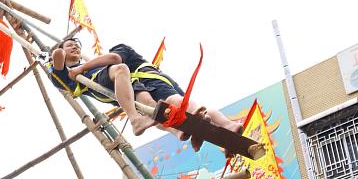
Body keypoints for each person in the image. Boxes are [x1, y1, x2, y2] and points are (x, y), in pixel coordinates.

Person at [61, 42, 243, 149]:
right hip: (156, 80)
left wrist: (82, 68)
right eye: (70, 45)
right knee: (161, 112)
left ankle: (193, 121)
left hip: (150, 79)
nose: (75, 46)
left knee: (171, 103)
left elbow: (114, 59)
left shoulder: (121, 52)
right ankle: (226, 126)